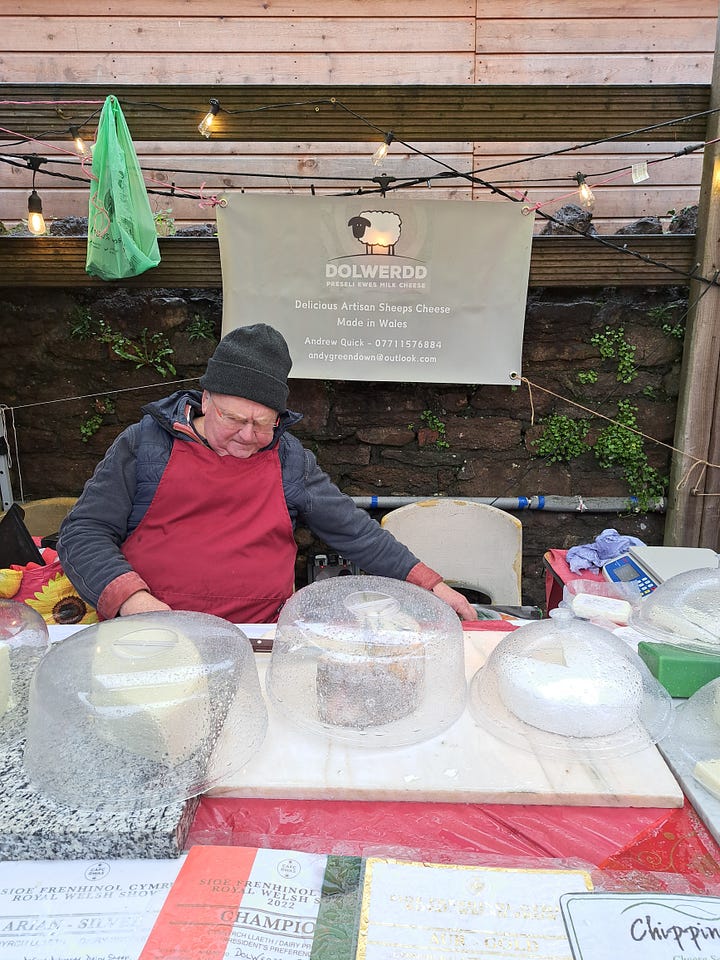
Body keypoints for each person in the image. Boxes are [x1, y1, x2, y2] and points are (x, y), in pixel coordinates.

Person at [58, 323, 477, 623]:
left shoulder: (289, 458)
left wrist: (431, 585)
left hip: (259, 636)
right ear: (205, 399)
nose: (247, 436)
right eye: (234, 419)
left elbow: (354, 531)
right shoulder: (145, 444)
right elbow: (84, 532)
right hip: (151, 631)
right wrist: (133, 600)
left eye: (263, 423)